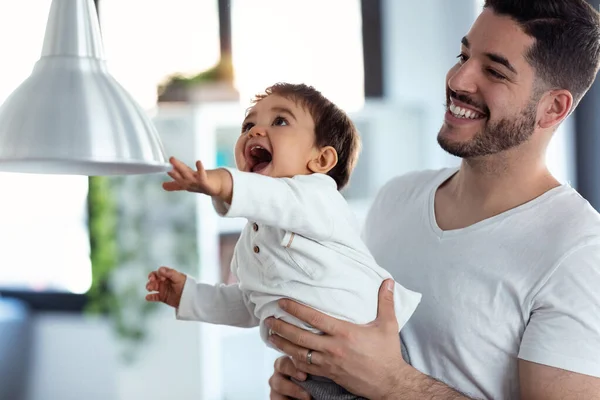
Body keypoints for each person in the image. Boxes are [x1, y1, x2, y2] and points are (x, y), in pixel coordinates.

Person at [265, 1, 600, 399]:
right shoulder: (397, 198)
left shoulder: (578, 252)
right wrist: (311, 377)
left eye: (493, 71)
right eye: (463, 55)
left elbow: (381, 375)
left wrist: (393, 383)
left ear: (553, 108)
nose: (458, 79)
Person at [145, 83, 422, 399]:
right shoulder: (253, 239)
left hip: (371, 359)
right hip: (313, 372)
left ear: (320, 161)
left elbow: (272, 198)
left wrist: (219, 181)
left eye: (280, 121)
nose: (255, 131)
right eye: (248, 124)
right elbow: (251, 304)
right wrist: (190, 296)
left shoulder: (319, 198)